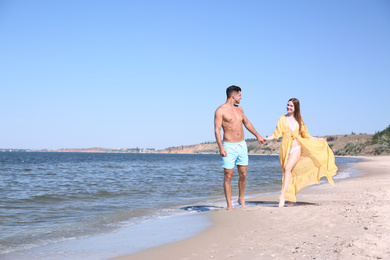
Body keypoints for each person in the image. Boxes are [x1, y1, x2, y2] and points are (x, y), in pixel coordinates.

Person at [264, 98, 338, 207]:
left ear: (295, 108)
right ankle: (290, 200)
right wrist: (265, 139)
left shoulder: (299, 120)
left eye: (291, 106)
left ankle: (282, 197)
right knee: (289, 173)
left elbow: (306, 135)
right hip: (285, 150)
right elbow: (276, 134)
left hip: (296, 148)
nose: (288, 107)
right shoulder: (282, 119)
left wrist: (318, 139)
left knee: (287, 169)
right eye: (288, 105)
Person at [214, 85, 265, 210]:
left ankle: (241, 198)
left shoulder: (239, 109)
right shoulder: (220, 110)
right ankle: (229, 204)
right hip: (228, 146)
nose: (241, 98)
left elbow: (247, 123)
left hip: (241, 145)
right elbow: (217, 130)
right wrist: (221, 147)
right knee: (228, 175)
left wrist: (257, 135)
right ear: (234, 96)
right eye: (240, 95)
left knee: (243, 174)